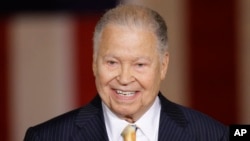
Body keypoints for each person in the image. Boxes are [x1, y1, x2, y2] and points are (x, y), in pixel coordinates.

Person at [24, 4, 229, 141]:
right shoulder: (46, 137)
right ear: (95, 63)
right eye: (112, 62)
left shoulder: (212, 135)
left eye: (139, 65)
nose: (124, 78)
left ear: (163, 65)